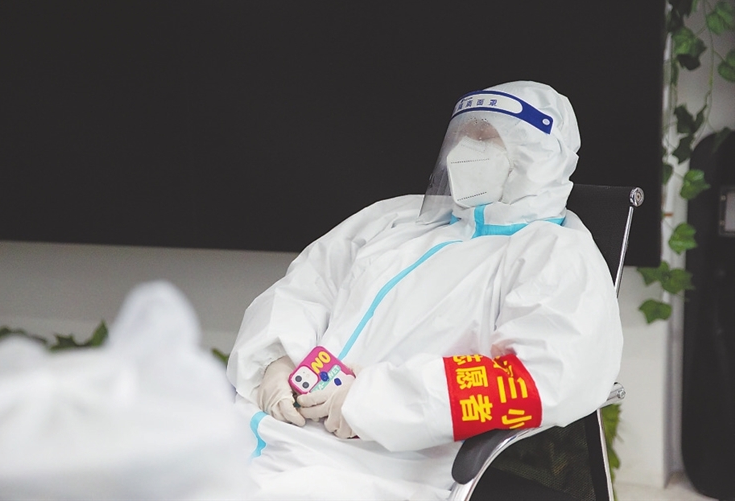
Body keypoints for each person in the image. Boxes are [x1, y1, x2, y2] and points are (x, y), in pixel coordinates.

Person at [226, 80, 623, 500]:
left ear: (535, 154)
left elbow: (537, 379)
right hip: (258, 430)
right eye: (463, 135)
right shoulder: (399, 217)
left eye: (485, 137)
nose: (463, 151)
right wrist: (276, 358)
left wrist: (369, 402)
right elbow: (310, 284)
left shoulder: (555, 254)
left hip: (374, 467)